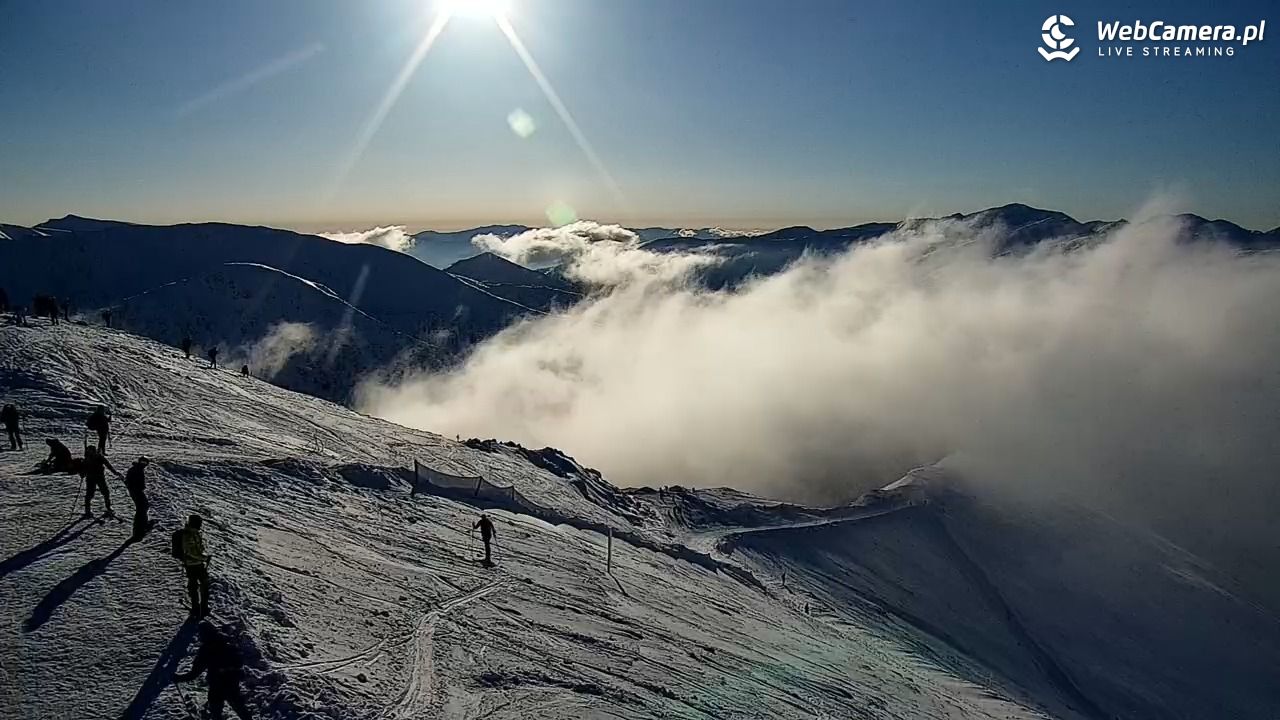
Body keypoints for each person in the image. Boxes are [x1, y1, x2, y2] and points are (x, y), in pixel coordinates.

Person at [173, 621, 253, 719]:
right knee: (240, 708)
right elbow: (239, 661)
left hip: (217, 684)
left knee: (216, 711)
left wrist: (178, 678)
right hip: (232, 680)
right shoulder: (227, 640)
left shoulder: (205, 649)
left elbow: (194, 673)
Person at [176, 514, 212, 617]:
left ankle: (202, 606)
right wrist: (205, 558)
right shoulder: (188, 536)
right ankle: (196, 607)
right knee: (195, 585)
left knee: (202, 585)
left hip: (197, 564)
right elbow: (192, 553)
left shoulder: (194, 533)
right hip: (192, 565)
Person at [81, 445, 120, 519]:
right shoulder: (87, 458)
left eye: (91, 450)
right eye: (89, 451)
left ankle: (108, 507)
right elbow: (83, 468)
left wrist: (115, 472)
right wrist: (82, 474)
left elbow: (108, 465)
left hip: (100, 478)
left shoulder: (99, 457)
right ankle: (87, 510)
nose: (91, 452)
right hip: (90, 478)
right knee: (89, 494)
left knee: (105, 492)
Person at [124, 456, 152, 541]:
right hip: (136, 492)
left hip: (137, 491)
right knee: (141, 510)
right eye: (142, 462)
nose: (144, 465)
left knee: (145, 507)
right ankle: (138, 531)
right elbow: (129, 481)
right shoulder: (135, 469)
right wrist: (135, 488)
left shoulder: (139, 469)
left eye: (145, 463)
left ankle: (143, 526)